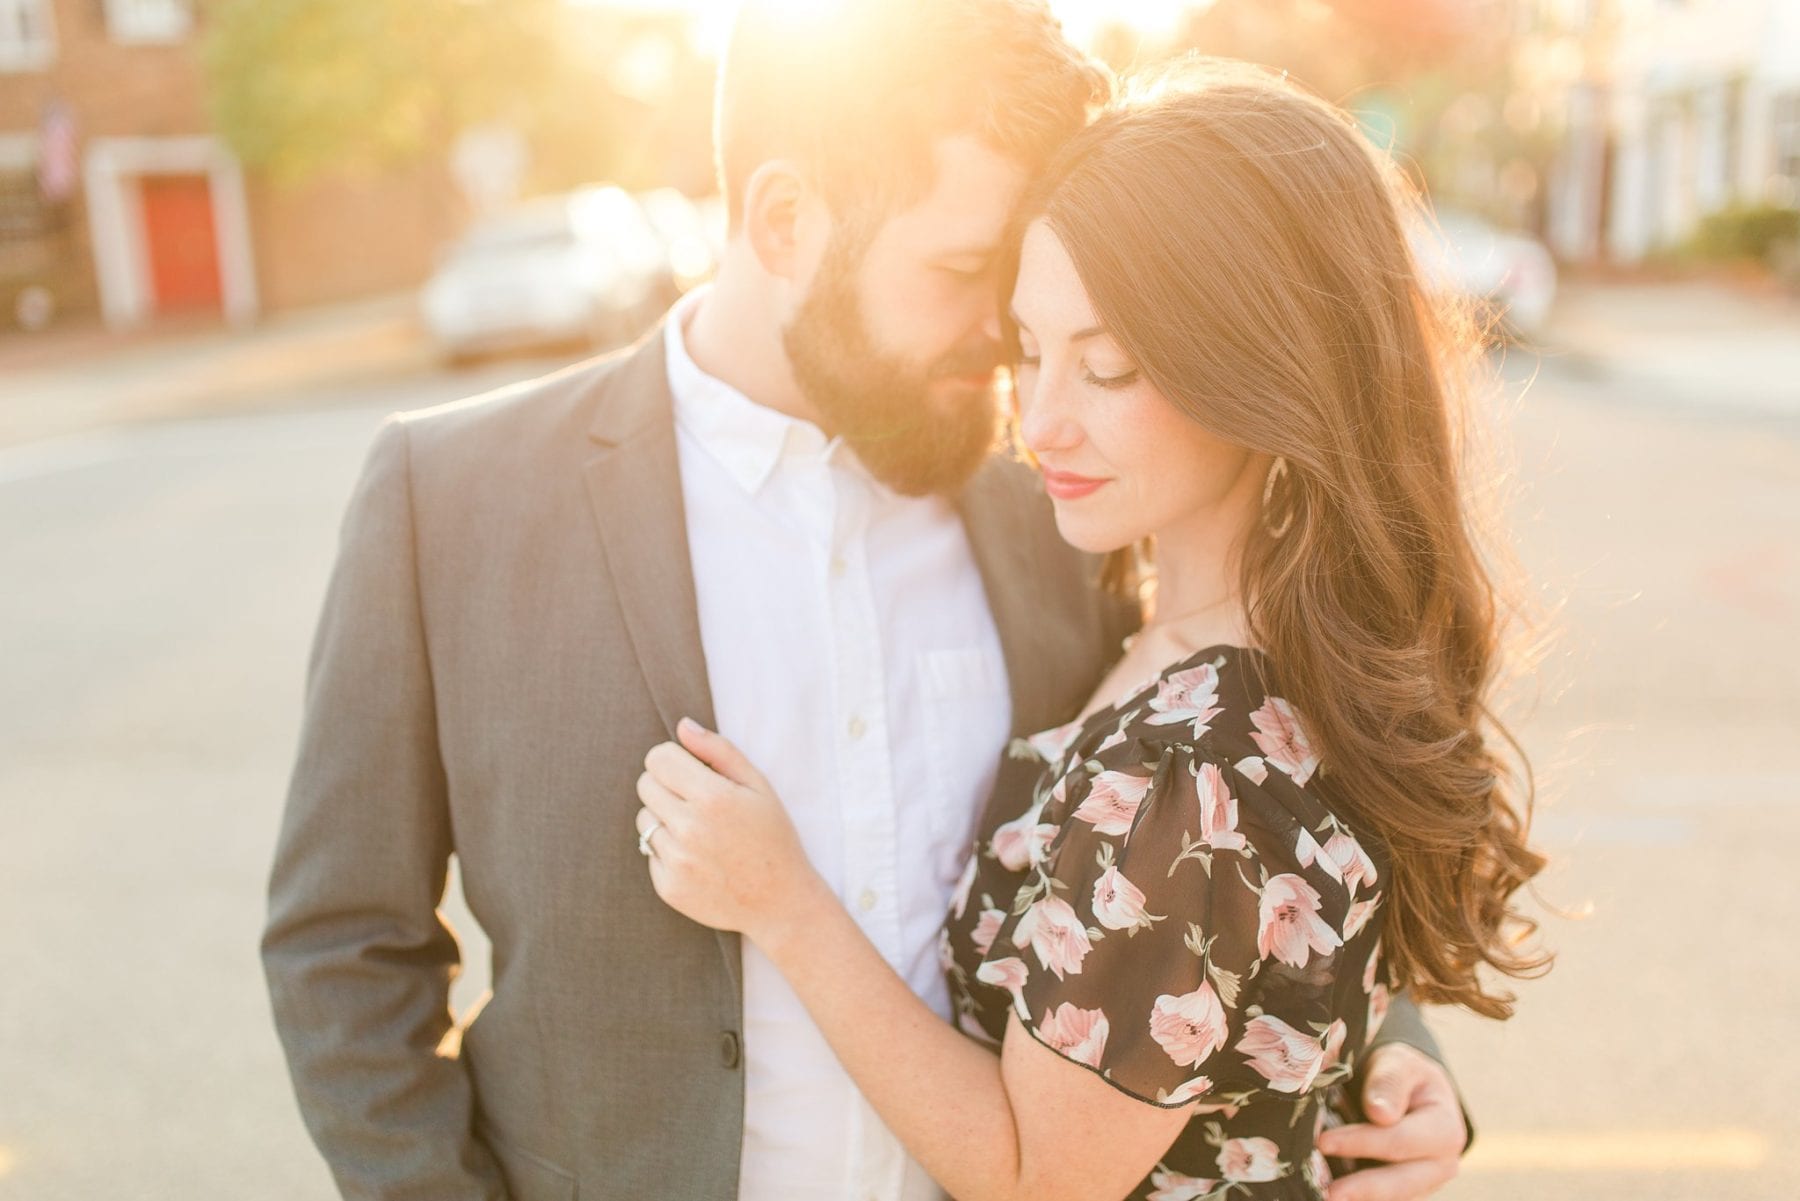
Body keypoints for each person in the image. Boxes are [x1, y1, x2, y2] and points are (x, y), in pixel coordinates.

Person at [261, 3, 1473, 1198]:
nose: (1008, 342)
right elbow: (342, 946)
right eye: (963, 270)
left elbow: (1220, 825)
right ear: (786, 220)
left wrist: (1387, 1061)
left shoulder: (1064, 499)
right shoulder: (456, 500)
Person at [633, 57, 1549, 1201]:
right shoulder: (1246, 640)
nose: (1043, 419)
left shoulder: (1198, 758)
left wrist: (783, 902)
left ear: (1257, 372)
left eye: (1107, 366)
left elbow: (1032, 1180)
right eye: (1030, 349)